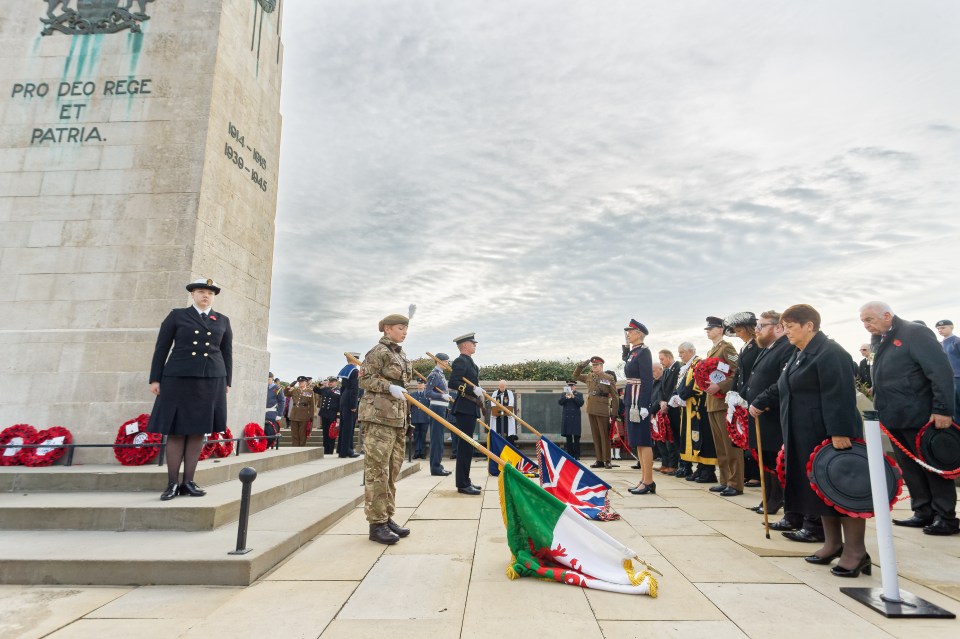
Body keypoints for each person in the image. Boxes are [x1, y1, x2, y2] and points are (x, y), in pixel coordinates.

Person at [779, 304, 868, 576]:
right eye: (784, 328)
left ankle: (856, 551)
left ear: (809, 325)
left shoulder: (831, 352)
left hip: (828, 434)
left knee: (842, 490)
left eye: (790, 327)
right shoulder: (800, 354)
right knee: (822, 489)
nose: (786, 333)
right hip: (805, 432)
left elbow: (839, 393)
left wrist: (839, 431)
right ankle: (832, 544)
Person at [863, 302, 958, 536]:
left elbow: (940, 372)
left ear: (887, 315)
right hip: (893, 414)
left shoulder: (914, 333)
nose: (866, 325)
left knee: (932, 465)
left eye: (870, 320)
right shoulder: (879, 339)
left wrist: (943, 409)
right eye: (863, 321)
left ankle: (945, 516)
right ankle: (922, 510)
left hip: (920, 413)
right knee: (910, 467)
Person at [148, 278, 232, 501]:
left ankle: (189, 482)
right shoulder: (177, 316)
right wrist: (155, 379)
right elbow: (161, 348)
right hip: (178, 378)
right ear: (193, 294)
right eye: (202, 292)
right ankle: (172, 483)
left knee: (197, 431)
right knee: (176, 431)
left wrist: (227, 382)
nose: (206, 296)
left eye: (210, 293)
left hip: (211, 379)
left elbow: (227, 353)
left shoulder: (222, 320)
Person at [358, 313, 413, 545]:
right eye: (401, 328)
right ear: (387, 329)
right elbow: (364, 380)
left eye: (405, 328)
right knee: (377, 471)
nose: (404, 332)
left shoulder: (399, 354)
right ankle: (376, 524)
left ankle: (387, 516)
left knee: (391, 471)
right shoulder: (377, 353)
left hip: (396, 419)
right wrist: (388, 386)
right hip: (378, 419)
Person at [745, 311, 796, 518]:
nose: (757, 330)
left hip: (772, 413)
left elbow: (782, 381)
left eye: (761, 326)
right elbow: (755, 378)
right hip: (760, 413)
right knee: (766, 459)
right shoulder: (767, 349)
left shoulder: (786, 347)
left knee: (776, 460)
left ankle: (777, 499)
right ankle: (768, 499)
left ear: (778, 327)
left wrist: (762, 400)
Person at [703, 316, 743, 497]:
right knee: (720, 446)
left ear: (720, 329)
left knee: (730, 445)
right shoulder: (712, 350)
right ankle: (725, 480)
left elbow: (736, 372)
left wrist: (720, 386)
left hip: (723, 400)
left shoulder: (727, 347)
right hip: (712, 401)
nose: (708, 332)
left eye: (711, 329)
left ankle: (735, 482)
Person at [671, 342, 717, 482]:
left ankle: (708, 470)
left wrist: (682, 396)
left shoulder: (698, 363)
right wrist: (676, 395)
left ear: (690, 351)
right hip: (688, 407)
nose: (679, 355)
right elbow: (681, 384)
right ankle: (701, 468)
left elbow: (697, 383)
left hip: (699, 407)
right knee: (694, 439)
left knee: (703, 438)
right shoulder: (687, 366)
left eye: (682, 352)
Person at [725, 312, 762, 488]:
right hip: (741, 396)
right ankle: (748, 473)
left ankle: (756, 474)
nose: (738, 334)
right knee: (742, 436)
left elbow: (754, 373)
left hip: (750, 396)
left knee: (751, 437)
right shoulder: (744, 347)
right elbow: (738, 373)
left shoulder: (757, 346)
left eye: (740, 330)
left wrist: (743, 393)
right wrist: (733, 392)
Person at [621, 320, 656, 495]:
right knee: (637, 441)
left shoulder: (644, 352)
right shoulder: (634, 353)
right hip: (631, 397)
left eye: (631, 331)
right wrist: (626, 349)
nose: (628, 334)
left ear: (639, 333)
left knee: (643, 440)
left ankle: (648, 480)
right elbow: (628, 368)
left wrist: (644, 405)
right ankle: (644, 478)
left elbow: (648, 380)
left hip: (638, 400)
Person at [449, 333, 484, 495]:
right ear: (464, 345)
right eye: (472, 343)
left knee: (468, 447)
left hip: (470, 408)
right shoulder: (461, 360)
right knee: (464, 447)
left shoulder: (469, 361)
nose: (475, 345)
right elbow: (453, 382)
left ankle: (466, 480)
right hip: (464, 408)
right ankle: (462, 484)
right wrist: (472, 389)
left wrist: (477, 390)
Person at [572, 356, 620, 469]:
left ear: (601, 366)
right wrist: (581, 366)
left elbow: (615, 396)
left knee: (604, 435)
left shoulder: (608, 377)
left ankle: (607, 460)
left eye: (596, 365)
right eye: (593, 365)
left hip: (603, 408)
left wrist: (614, 412)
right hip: (591, 407)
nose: (594, 367)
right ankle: (599, 460)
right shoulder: (589, 376)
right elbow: (575, 376)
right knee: (596, 435)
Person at [424, 353, 453, 476]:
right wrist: (442, 395)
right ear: (438, 361)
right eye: (445, 362)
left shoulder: (440, 374)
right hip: (436, 407)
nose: (447, 364)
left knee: (439, 438)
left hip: (442, 408)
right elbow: (427, 393)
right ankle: (435, 467)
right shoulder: (434, 374)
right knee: (436, 438)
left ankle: (438, 465)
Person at [659, 349, 683, 475]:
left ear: (669, 357)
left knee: (677, 438)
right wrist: (662, 401)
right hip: (667, 408)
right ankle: (674, 465)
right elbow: (662, 389)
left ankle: (680, 465)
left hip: (675, 408)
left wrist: (668, 402)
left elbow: (676, 387)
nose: (661, 362)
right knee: (671, 437)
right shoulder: (667, 371)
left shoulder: (678, 368)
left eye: (662, 359)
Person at [337, 353, 362, 458]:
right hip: (349, 400)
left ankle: (341, 449)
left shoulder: (345, 369)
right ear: (355, 360)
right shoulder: (355, 371)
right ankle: (348, 450)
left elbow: (343, 388)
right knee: (349, 426)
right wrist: (353, 405)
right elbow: (354, 389)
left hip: (343, 398)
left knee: (343, 426)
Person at [936, 319, 960, 423]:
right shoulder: (939, 344)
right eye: (938, 329)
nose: (940, 330)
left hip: (958, 377)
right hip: (948, 379)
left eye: (943, 327)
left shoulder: (957, 342)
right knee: (954, 406)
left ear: (952, 327)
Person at [284, 376, 317, 447]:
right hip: (294, 414)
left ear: (306, 382)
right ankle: (295, 448)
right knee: (294, 434)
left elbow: (312, 405)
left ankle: (301, 448)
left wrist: (311, 416)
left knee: (302, 434)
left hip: (304, 415)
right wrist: (290, 386)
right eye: (299, 382)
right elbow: (286, 393)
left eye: (302, 382)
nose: (300, 383)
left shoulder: (310, 392)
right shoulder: (294, 390)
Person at [558, 380, 584, 458]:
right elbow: (560, 402)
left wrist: (573, 397)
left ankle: (577, 455)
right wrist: (566, 397)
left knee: (576, 437)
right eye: (569, 386)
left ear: (575, 386)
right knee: (568, 437)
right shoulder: (563, 394)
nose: (570, 387)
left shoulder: (579, 394)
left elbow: (581, 403)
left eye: (572, 386)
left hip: (575, 418)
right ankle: (569, 455)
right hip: (567, 418)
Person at [317, 376, 341, 455]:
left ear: (336, 382)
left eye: (332, 381)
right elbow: (315, 389)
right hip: (324, 414)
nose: (330, 383)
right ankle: (325, 449)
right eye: (329, 381)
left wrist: (338, 417)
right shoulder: (325, 389)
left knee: (331, 433)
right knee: (325, 433)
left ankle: (330, 450)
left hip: (332, 415)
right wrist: (320, 383)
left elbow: (340, 405)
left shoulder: (339, 391)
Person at [409, 381, 431, 459]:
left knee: (423, 436)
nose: (420, 385)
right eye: (419, 383)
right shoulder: (412, 395)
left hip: (425, 418)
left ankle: (422, 452)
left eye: (421, 383)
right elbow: (410, 407)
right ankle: (417, 452)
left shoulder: (428, 395)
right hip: (415, 418)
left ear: (424, 385)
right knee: (416, 436)